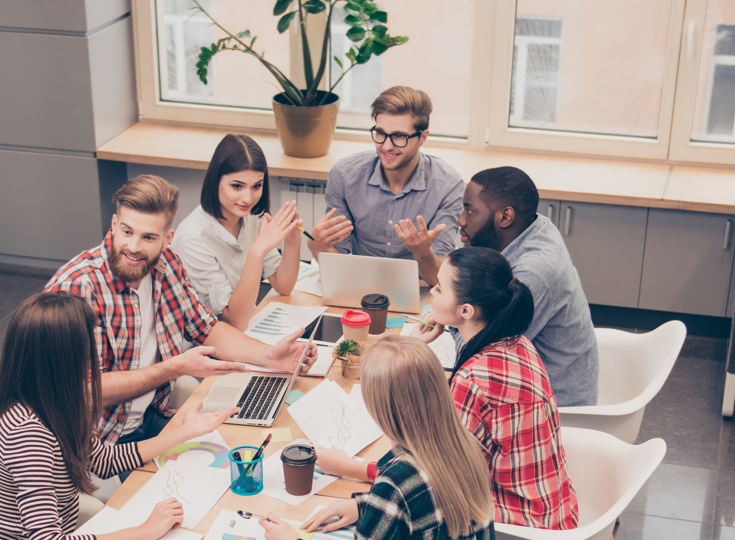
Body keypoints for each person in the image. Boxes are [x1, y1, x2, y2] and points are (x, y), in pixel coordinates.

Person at [45, 174, 317, 445]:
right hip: (97, 440)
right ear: (114, 224)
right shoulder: (79, 288)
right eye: (127, 232)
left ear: (167, 239)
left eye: (149, 237)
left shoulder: (167, 264)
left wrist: (269, 356)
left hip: (152, 414)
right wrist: (174, 368)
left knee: (248, 448)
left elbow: (206, 329)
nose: (134, 247)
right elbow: (85, 392)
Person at [0, 292, 241, 540]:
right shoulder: (28, 434)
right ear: (62, 359)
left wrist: (186, 431)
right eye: (89, 347)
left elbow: (104, 461)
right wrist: (144, 531)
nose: (97, 358)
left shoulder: (58, 403)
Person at [405, 247, 578, 529]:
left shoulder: (473, 380)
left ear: (465, 310)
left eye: (439, 289)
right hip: (552, 512)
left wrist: (358, 476)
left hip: (516, 527)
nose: (432, 293)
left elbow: (442, 473)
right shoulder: (519, 342)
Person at [262, 337, 494, 540]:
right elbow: (430, 507)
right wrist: (364, 505)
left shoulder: (395, 484)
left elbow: (404, 495)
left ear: (379, 407)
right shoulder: (467, 445)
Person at [454, 166, 598, 407]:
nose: (461, 219)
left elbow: (479, 356)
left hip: (551, 410)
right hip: (530, 385)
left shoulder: (533, 274)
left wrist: (451, 314)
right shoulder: (535, 226)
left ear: (505, 217)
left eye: (470, 210)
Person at [307, 86, 463, 285]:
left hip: (420, 287)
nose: (387, 146)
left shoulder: (448, 185)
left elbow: (439, 278)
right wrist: (316, 247)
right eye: (380, 133)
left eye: (399, 136)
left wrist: (423, 253)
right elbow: (338, 257)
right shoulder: (345, 175)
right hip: (360, 283)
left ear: (422, 137)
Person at [171, 134, 303, 330]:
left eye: (256, 186)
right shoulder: (192, 238)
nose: (248, 198)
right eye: (237, 186)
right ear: (215, 181)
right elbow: (234, 321)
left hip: (250, 328)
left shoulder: (252, 218)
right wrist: (257, 251)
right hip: (208, 343)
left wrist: (292, 240)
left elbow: (284, 286)